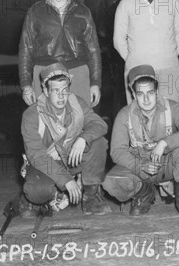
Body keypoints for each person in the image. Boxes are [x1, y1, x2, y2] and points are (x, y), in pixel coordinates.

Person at [102, 65, 179, 218]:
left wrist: (164, 143)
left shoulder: (172, 107)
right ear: (134, 95)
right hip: (141, 166)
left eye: (150, 93)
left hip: (168, 163)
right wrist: (140, 166)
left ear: (157, 92)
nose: (146, 99)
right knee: (111, 182)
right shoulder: (124, 115)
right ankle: (144, 194)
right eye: (141, 94)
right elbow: (117, 151)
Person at [20, 63, 111, 216]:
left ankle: (90, 198)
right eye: (55, 90)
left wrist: (83, 138)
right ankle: (39, 197)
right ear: (46, 90)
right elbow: (37, 156)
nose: (62, 96)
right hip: (45, 164)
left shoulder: (77, 103)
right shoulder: (31, 115)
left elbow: (99, 124)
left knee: (98, 142)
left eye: (65, 90)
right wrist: (66, 180)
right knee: (38, 191)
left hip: (70, 159)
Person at [19, 0, 102, 107]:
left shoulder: (83, 11)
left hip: (78, 75)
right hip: (44, 75)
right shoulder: (35, 11)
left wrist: (95, 82)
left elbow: (93, 49)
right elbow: (26, 49)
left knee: (80, 124)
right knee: (46, 125)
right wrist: (26, 85)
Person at [113, 0, 179, 104]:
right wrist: (136, 59)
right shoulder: (126, 3)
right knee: (140, 121)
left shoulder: (172, 0)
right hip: (138, 73)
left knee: (170, 119)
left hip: (169, 71)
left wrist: (167, 56)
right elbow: (119, 40)